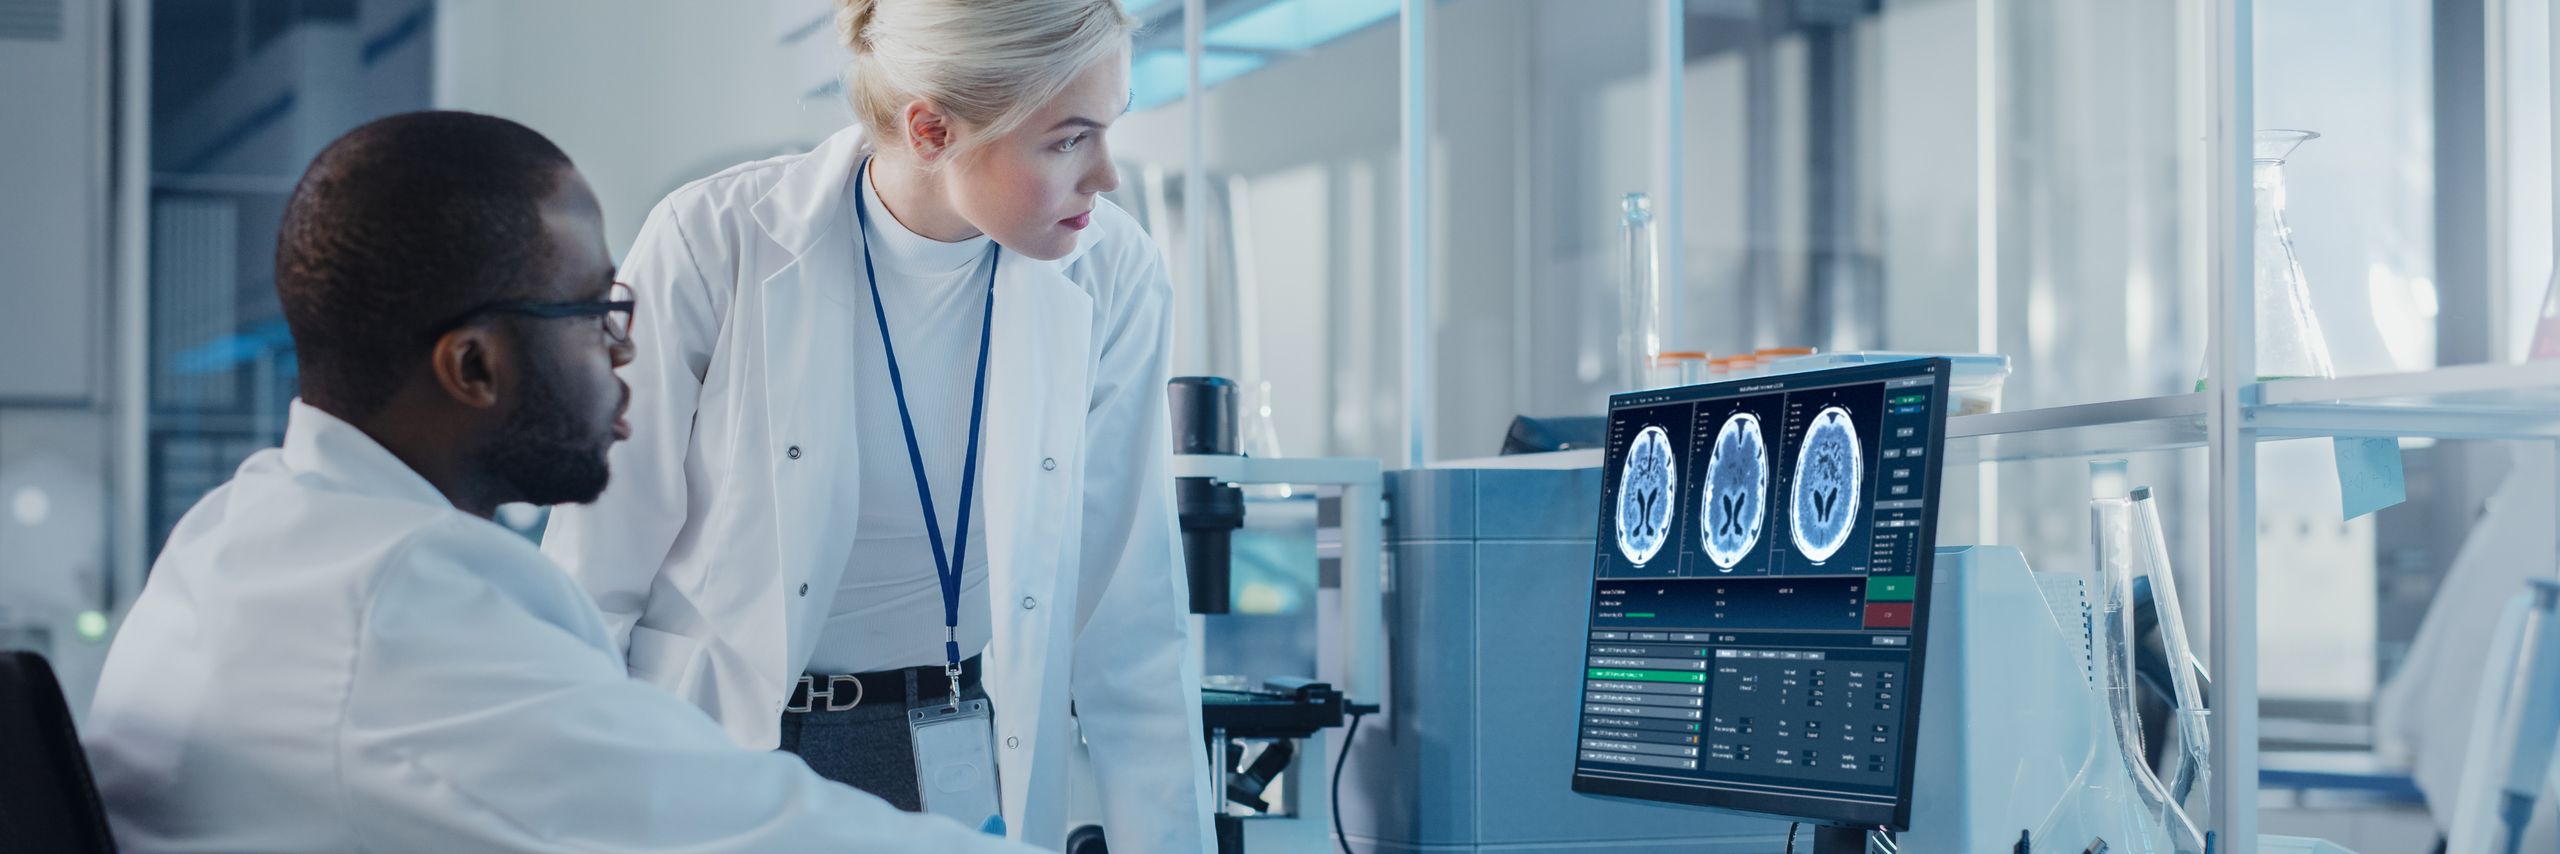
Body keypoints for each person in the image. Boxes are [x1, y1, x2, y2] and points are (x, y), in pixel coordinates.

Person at [80, 111, 1042, 853]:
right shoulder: (406, 603)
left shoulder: (245, 526)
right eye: (593, 312)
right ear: (473, 367)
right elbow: (741, 829)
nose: (627, 350)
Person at [537, 0, 1214, 849]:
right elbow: (593, 577)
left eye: (1108, 130)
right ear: (931, 131)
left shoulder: (1113, 271)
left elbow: (1132, 616)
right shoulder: (714, 240)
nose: (1107, 176)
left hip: (961, 751)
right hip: (730, 744)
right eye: (1066, 140)